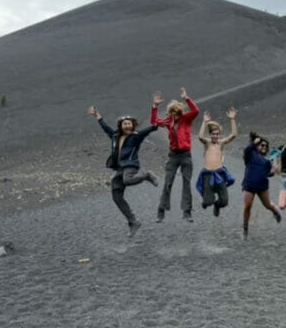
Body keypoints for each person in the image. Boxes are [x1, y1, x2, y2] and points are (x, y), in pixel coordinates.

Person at [88, 105, 159, 236]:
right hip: (119, 168)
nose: (127, 126)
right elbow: (106, 128)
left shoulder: (136, 136)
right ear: (121, 126)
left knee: (128, 180)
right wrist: (98, 117)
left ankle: (147, 175)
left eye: (129, 124)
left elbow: (150, 128)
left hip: (130, 165)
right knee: (116, 196)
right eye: (125, 124)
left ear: (133, 126)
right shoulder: (115, 136)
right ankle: (133, 221)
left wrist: (156, 112)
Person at [150, 87, 200, 222]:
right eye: (173, 112)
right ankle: (161, 210)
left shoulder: (186, 119)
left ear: (180, 111)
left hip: (186, 155)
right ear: (170, 112)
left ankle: (187, 212)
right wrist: (155, 106)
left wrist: (186, 98)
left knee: (186, 182)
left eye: (177, 112)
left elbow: (196, 111)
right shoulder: (168, 121)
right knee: (168, 182)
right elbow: (154, 122)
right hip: (173, 155)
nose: (175, 114)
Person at [196, 108, 237, 216]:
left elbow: (233, 135)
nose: (215, 136)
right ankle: (207, 201)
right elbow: (200, 137)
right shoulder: (207, 143)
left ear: (219, 135)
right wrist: (204, 122)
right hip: (208, 175)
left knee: (224, 201)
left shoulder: (221, 143)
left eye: (217, 134)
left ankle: (217, 205)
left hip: (219, 174)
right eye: (213, 134)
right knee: (208, 201)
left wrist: (232, 119)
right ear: (210, 134)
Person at [241, 131, 282, 238]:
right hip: (249, 185)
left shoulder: (267, 160)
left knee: (267, 204)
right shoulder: (250, 154)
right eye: (262, 145)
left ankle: (275, 211)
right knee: (247, 206)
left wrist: (275, 162)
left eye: (266, 146)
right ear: (257, 146)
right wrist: (254, 143)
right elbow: (247, 149)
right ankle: (245, 229)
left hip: (262, 186)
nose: (264, 147)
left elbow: (271, 173)